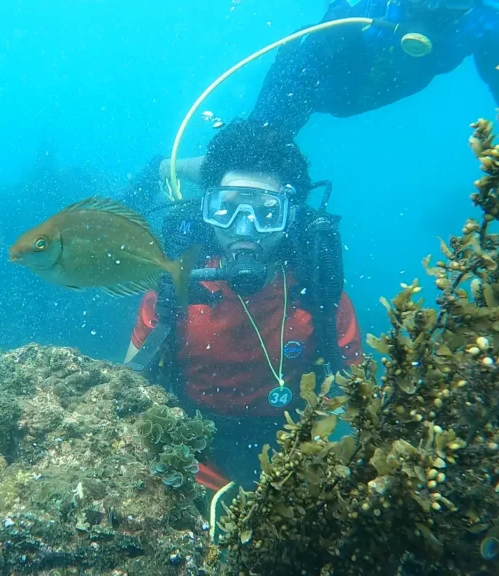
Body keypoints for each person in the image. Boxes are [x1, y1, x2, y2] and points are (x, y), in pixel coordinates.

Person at [124, 119, 363, 491]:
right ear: (206, 210)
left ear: (290, 217)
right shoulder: (175, 290)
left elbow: (359, 398)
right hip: (184, 461)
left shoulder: (319, 296)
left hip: (288, 463)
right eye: (227, 209)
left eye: (266, 213)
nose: (244, 229)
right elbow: (128, 385)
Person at [161, 0, 499, 184]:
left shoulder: (494, 17)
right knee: (252, 163)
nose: (432, 10)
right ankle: (166, 170)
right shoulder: (363, 8)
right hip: (316, 79)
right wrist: (260, 149)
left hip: (370, 96)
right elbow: (301, 67)